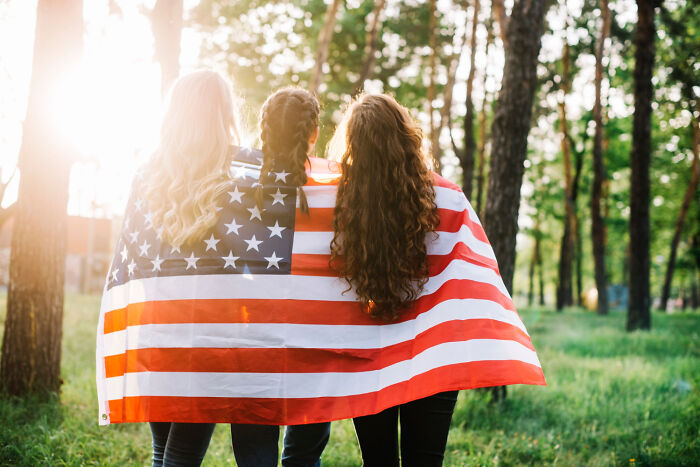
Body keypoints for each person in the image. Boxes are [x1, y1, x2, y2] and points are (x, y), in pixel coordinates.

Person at [327, 93, 459, 466]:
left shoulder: (333, 204)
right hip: (433, 350)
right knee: (425, 460)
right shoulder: (448, 199)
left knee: (378, 461)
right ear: (406, 135)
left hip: (366, 352)